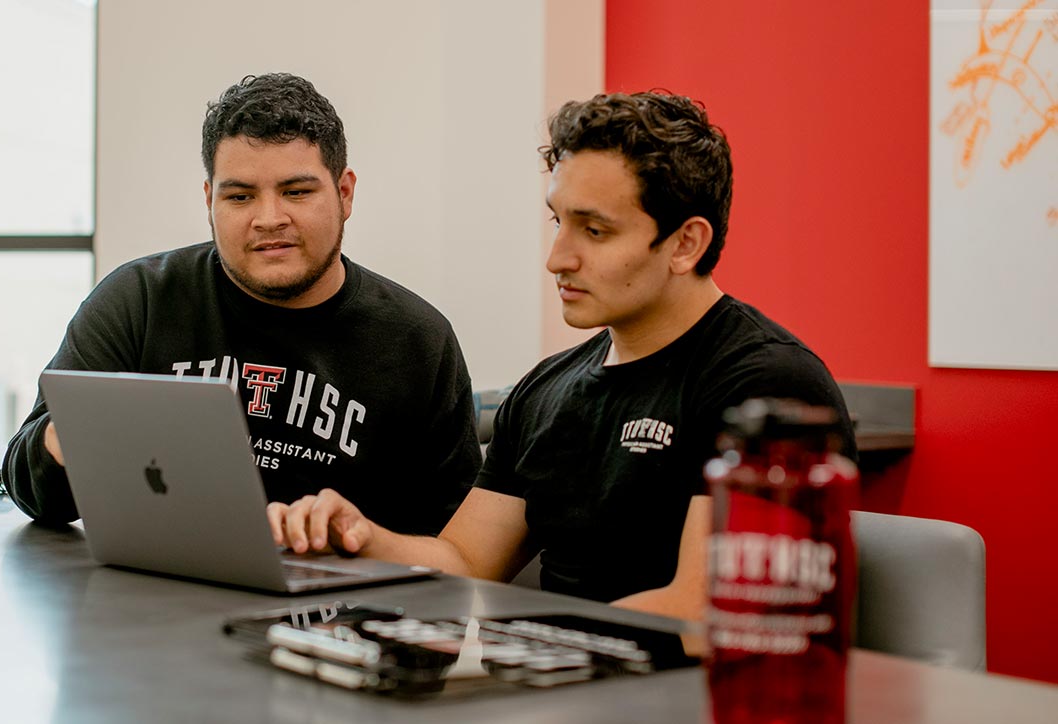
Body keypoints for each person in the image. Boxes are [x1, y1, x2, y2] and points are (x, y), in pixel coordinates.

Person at [267, 90, 857, 620]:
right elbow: (465, 562)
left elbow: (707, 609)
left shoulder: (769, 389)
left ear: (685, 243)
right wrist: (361, 536)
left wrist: (536, 639)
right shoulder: (546, 391)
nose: (558, 258)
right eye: (558, 222)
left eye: (594, 231)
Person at [2, 73, 481, 531]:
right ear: (210, 199)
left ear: (344, 193)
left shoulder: (417, 342)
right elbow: (31, 490)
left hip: (341, 607)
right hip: (157, 596)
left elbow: (453, 550)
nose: (269, 218)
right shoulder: (140, 301)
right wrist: (77, 431)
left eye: (296, 192)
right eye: (240, 197)